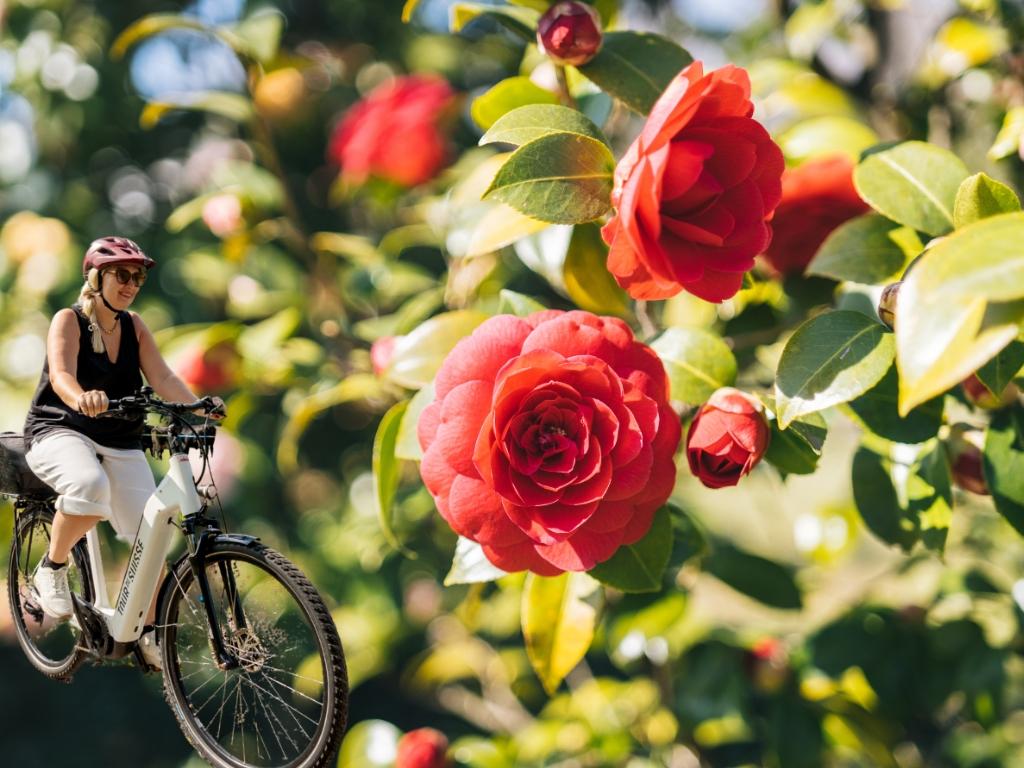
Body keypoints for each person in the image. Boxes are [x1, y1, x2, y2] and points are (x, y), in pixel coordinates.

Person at [23, 236, 222, 670]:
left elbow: (164, 377)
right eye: (122, 275)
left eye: (138, 276)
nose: (132, 284)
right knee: (88, 487)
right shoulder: (68, 320)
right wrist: (81, 398)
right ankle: (52, 568)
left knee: (154, 536)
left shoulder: (133, 325)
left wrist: (198, 408)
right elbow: (60, 375)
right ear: (96, 278)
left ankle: (145, 631)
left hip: (119, 439)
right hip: (61, 431)